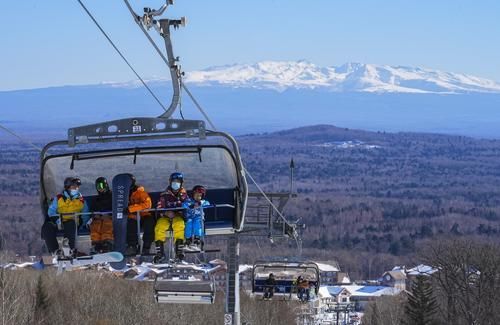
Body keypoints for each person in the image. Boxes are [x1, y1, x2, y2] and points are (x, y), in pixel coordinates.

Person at [41, 177, 89, 256]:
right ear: (67, 187)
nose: (76, 188)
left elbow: (85, 214)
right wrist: (57, 220)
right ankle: (55, 251)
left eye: (77, 187)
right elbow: (51, 211)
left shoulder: (81, 200)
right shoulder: (59, 198)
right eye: (74, 187)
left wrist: (82, 223)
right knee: (47, 227)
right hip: (59, 222)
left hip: (73, 222)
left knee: (70, 224)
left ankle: (70, 249)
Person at [154, 172, 188, 263]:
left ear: (181, 183)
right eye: (174, 181)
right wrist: (165, 212)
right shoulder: (164, 195)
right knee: (159, 226)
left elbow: (187, 205)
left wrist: (178, 211)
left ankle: (179, 251)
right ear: (170, 182)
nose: (175, 184)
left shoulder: (184, 195)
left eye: (178, 182)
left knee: (179, 225)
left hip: (178, 216)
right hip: (165, 217)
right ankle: (160, 253)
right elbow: (159, 206)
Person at [126, 175, 154, 255]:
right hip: (133, 217)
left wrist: (131, 208)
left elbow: (147, 204)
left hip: (144, 215)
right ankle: (132, 246)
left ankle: (146, 246)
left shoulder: (140, 192)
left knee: (149, 222)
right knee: (130, 223)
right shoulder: (123, 194)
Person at [89, 177, 113, 254]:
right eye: (99, 187)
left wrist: (109, 214)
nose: (101, 188)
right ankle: (95, 243)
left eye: (102, 186)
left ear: (106, 185)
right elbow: (92, 210)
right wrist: (95, 215)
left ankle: (107, 242)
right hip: (99, 218)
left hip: (110, 217)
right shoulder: (96, 200)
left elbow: (116, 208)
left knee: (107, 223)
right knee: (95, 224)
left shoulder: (112, 197)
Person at [183, 185, 210, 250]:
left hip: (198, 218)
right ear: (193, 194)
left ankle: (196, 241)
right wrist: (191, 206)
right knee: (189, 224)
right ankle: (187, 240)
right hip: (190, 217)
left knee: (197, 224)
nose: (198, 197)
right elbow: (184, 204)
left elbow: (207, 204)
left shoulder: (202, 202)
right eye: (196, 195)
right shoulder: (189, 201)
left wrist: (200, 203)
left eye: (200, 196)